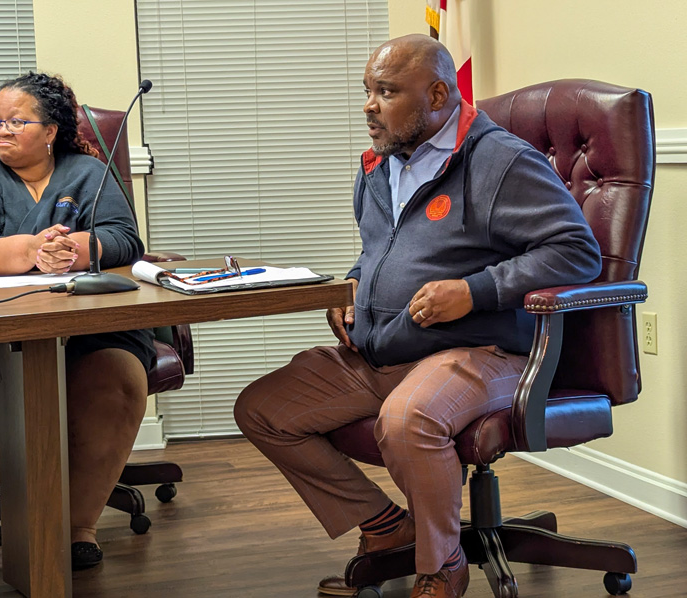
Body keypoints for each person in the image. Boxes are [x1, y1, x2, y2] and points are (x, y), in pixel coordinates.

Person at [234, 34, 602, 598]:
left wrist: (475, 291)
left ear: (436, 96)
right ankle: (385, 526)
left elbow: (577, 251)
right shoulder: (380, 165)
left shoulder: (501, 161)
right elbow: (380, 252)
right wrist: (352, 287)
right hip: (382, 349)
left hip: (480, 350)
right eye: (368, 91)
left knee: (408, 420)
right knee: (264, 410)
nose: (369, 106)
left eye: (386, 92)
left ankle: (442, 565)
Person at [0, 72, 154, 570]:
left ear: (51, 131)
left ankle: (78, 527)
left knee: (120, 379)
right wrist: (31, 250)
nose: (0, 129)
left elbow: (125, 239)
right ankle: (36, 519)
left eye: (16, 121)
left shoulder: (89, 172)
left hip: (93, 324)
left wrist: (76, 248)